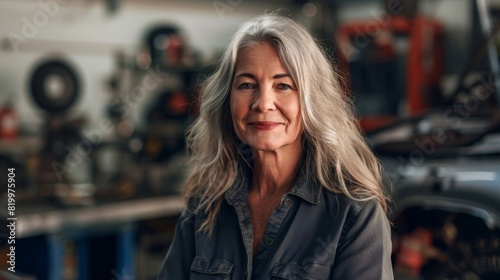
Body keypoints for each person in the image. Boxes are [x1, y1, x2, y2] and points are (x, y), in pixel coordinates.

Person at [158, 13, 393, 280]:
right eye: (247, 85)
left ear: (311, 101)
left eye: (283, 85)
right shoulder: (205, 205)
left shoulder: (355, 215)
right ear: (227, 100)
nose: (263, 103)